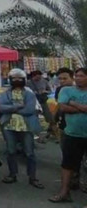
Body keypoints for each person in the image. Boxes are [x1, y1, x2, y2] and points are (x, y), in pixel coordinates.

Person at [0, 68, 44, 189]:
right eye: (14, 78)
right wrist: (18, 106)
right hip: (9, 126)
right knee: (11, 151)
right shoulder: (5, 93)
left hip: (26, 126)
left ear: (24, 79)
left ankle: (32, 177)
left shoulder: (29, 93)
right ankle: (12, 175)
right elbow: (1, 108)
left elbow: (30, 110)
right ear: (10, 80)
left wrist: (11, 107)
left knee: (29, 153)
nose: (17, 80)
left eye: (20, 78)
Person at [49, 68, 87, 203]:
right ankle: (64, 192)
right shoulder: (66, 90)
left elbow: (67, 105)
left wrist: (72, 103)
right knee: (67, 165)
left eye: (81, 76)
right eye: (76, 76)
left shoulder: (70, 96)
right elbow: (63, 108)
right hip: (72, 134)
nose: (78, 78)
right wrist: (82, 108)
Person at [27, 70, 56, 141]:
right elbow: (26, 92)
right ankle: (36, 135)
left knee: (50, 117)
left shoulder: (44, 81)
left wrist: (44, 91)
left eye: (40, 76)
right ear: (33, 76)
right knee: (34, 119)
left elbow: (50, 90)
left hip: (43, 101)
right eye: (37, 77)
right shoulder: (28, 83)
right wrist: (35, 92)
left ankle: (52, 132)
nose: (39, 78)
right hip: (33, 102)